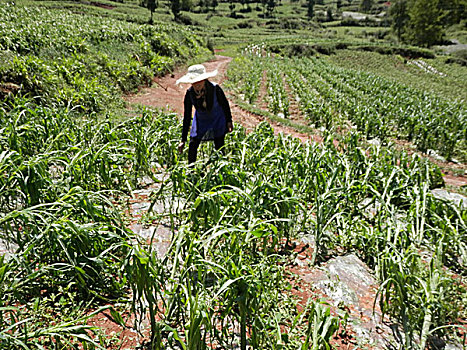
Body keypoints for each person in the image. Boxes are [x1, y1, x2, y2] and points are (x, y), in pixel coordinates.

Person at [176, 64, 233, 164]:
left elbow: (225, 105)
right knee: (193, 145)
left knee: (219, 145)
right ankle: (191, 171)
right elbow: (187, 116)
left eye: (199, 81)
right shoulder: (190, 94)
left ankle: (222, 168)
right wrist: (183, 139)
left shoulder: (215, 89)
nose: (197, 84)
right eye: (194, 82)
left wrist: (229, 121)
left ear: (204, 80)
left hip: (217, 119)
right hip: (201, 121)